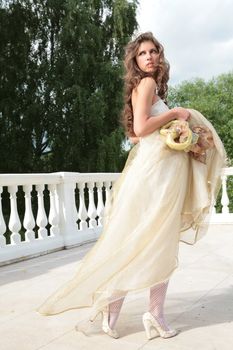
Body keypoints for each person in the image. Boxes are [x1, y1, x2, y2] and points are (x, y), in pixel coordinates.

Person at [38, 32, 226, 340]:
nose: (150, 57)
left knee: (141, 242)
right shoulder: (147, 84)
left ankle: (116, 316)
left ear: (159, 57)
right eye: (143, 53)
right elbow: (140, 127)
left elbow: (138, 137)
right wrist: (177, 115)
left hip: (156, 175)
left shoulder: (145, 88)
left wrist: (178, 137)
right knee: (156, 244)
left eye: (154, 52)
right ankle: (153, 315)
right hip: (157, 180)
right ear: (135, 61)